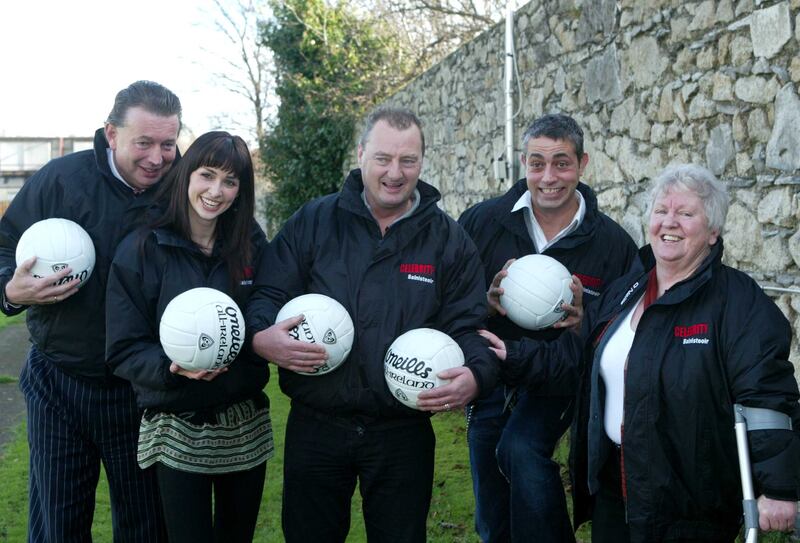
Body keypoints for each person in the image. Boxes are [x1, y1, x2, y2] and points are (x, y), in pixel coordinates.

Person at [484, 164, 800, 542]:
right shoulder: (626, 291)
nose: (671, 222)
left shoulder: (738, 301)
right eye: (661, 211)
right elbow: (579, 361)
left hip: (690, 504)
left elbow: (766, 397)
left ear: (713, 232)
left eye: (686, 213)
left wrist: (779, 489)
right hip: (615, 491)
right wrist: (513, 355)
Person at [247, 106, 498, 542]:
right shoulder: (314, 221)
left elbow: (468, 324)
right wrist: (260, 335)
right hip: (317, 424)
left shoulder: (448, 239)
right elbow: (269, 292)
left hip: (401, 432)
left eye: (408, 160)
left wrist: (476, 376)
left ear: (422, 161)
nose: (395, 173)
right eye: (383, 158)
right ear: (361, 153)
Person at [0, 80, 181, 542]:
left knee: (147, 528)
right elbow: (3, 247)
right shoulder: (61, 180)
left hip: (142, 390)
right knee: (58, 527)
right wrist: (11, 289)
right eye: (144, 142)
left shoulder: (183, 191)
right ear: (112, 134)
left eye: (168, 143)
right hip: (58, 382)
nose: (157, 158)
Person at [458, 113, 637, 542]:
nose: (548, 176)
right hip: (492, 374)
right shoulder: (481, 223)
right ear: (523, 163)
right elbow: (449, 300)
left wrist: (584, 323)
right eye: (537, 163)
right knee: (492, 506)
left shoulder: (612, 244)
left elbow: (625, 325)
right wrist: (484, 302)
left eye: (561, 162)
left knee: (520, 448)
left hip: (560, 377)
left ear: (583, 163)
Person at [105, 131, 272, 543]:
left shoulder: (251, 243)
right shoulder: (143, 248)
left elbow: (267, 306)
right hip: (175, 426)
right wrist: (169, 368)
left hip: (243, 422)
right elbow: (123, 348)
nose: (216, 191)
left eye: (231, 181)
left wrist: (255, 336)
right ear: (186, 174)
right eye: (208, 175)